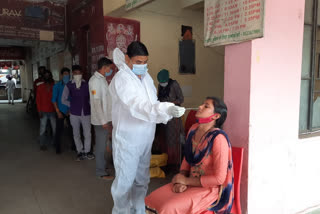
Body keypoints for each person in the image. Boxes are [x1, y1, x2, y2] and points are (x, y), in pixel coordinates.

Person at [109, 42, 186, 214]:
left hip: (145, 139)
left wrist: (167, 109)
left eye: (145, 62)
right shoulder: (122, 79)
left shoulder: (147, 78)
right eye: (138, 62)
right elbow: (138, 106)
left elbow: (153, 103)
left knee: (142, 180)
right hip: (127, 140)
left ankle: (138, 210)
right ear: (127, 59)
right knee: (124, 183)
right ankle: (121, 211)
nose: (142, 66)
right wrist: (165, 109)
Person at [145, 97, 234, 214]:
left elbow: (218, 179)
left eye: (206, 106)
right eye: (202, 104)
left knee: (167, 208)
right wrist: (179, 181)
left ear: (216, 116)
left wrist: (186, 181)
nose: (200, 107)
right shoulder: (193, 130)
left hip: (208, 190)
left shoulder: (218, 138)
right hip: (189, 182)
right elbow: (187, 159)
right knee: (151, 199)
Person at [62, 65, 93, 161]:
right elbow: (63, 99)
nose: (77, 75)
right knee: (76, 133)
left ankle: (87, 151)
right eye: (75, 73)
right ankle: (79, 152)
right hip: (74, 113)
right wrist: (72, 105)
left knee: (87, 133)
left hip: (86, 113)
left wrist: (90, 105)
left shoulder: (87, 84)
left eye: (79, 73)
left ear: (82, 74)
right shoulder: (69, 85)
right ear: (73, 74)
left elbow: (91, 98)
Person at [89, 57, 113, 179]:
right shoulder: (95, 81)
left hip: (105, 119)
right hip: (100, 121)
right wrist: (103, 121)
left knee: (104, 145)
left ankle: (103, 166)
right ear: (104, 67)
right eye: (109, 68)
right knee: (100, 146)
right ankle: (100, 172)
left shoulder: (102, 79)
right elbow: (96, 102)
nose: (110, 70)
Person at [156, 69, 184, 166]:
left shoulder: (174, 84)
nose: (162, 83)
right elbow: (159, 98)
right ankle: (165, 161)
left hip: (173, 117)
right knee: (164, 138)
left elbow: (181, 99)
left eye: (163, 82)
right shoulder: (160, 85)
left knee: (172, 139)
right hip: (163, 115)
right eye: (160, 82)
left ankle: (174, 162)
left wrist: (170, 103)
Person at [52, 67, 72, 154]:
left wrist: (70, 110)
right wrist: (58, 111)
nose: (66, 76)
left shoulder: (72, 85)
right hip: (60, 111)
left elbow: (73, 99)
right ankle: (58, 148)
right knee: (59, 130)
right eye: (65, 74)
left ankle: (74, 146)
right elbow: (54, 100)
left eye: (68, 74)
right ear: (61, 75)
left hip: (70, 111)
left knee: (72, 129)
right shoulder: (57, 86)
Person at [36, 70, 56, 151]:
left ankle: (55, 143)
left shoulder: (54, 86)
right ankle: (42, 144)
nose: (47, 77)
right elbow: (38, 100)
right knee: (43, 129)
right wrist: (39, 110)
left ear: (51, 76)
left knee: (55, 129)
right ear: (43, 77)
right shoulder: (40, 87)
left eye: (48, 75)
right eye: (46, 75)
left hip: (52, 111)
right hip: (43, 111)